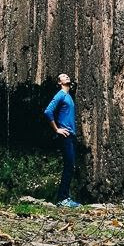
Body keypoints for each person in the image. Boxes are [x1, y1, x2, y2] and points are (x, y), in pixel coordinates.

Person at [44, 72, 80, 207]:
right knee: (69, 165)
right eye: (63, 76)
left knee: (70, 166)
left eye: (67, 76)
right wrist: (57, 129)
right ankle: (62, 199)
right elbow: (48, 111)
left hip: (70, 135)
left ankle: (64, 197)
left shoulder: (68, 96)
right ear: (59, 82)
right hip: (64, 135)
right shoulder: (60, 94)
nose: (67, 77)